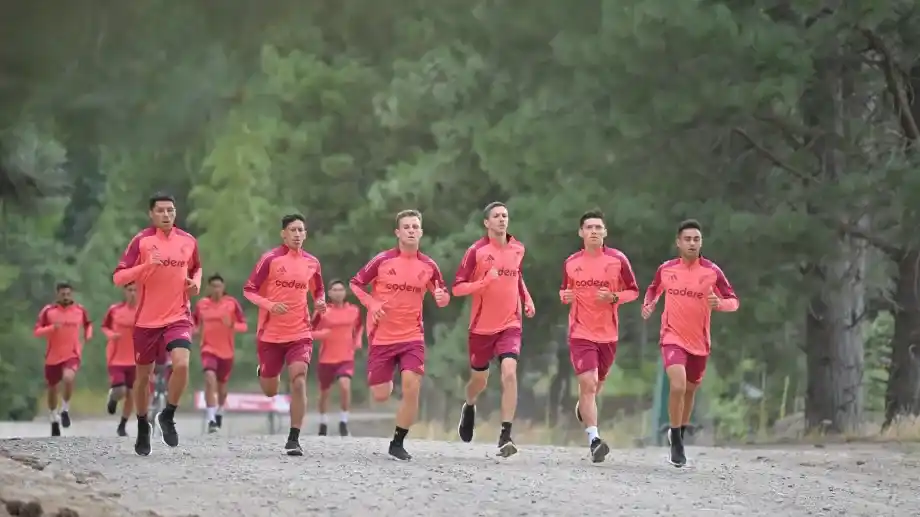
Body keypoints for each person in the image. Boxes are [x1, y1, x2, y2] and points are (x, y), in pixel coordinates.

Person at [350, 209, 450, 461]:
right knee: (381, 395)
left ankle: (398, 442)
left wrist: (442, 297)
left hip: (412, 336)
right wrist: (372, 304)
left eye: (416, 226)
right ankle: (387, 378)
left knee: (412, 386)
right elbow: (355, 283)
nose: (411, 230)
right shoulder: (382, 261)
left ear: (421, 232)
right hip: (382, 336)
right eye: (406, 227)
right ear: (397, 232)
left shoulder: (429, 266)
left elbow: (443, 296)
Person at [641, 219, 739, 467]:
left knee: (690, 390)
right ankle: (674, 436)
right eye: (688, 239)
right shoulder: (667, 269)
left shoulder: (712, 271)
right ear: (678, 242)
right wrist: (649, 304)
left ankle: (680, 432)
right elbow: (653, 289)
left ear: (701, 242)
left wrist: (721, 305)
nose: (692, 243)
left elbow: (733, 300)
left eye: (696, 239)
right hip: (672, 336)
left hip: (699, 341)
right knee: (677, 384)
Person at [113, 192, 202, 456]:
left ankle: (168, 414)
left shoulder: (188, 241)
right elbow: (119, 277)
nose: (166, 215)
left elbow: (196, 268)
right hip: (147, 320)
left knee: (182, 364)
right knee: (143, 378)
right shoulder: (141, 241)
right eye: (161, 211)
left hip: (178, 315)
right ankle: (142, 425)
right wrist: (143, 268)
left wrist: (195, 282)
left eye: (171, 211)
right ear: (151, 214)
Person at [452, 202, 535, 457]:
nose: (501, 219)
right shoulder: (476, 251)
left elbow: (517, 276)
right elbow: (457, 288)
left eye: (505, 216)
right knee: (479, 381)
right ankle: (469, 405)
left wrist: (527, 298)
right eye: (496, 216)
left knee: (510, 372)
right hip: (481, 328)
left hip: (511, 323)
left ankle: (505, 434)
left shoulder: (518, 248)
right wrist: (484, 282)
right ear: (486, 223)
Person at [559, 209, 639, 463]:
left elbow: (634, 291)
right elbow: (564, 291)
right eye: (589, 227)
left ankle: (584, 408)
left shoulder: (617, 260)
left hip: (608, 334)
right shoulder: (571, 263)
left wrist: (614, 297)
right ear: (580, 232)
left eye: (598, 227)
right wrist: (565, 297)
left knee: (595, 387)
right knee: (589, 383)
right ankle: (594, 440)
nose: (594, 231)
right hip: (580, 332)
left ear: (605, 232)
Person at [243, 213, 326, 456]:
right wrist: (269, 305)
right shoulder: (270, 259)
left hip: (300, 331)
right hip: (270, 334)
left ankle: (294, 438)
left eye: (301, 230)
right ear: (284, 234)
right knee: (271, 390)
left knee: (299, 379)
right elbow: (249, 290)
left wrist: (320, 302)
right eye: (293, 230)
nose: (298, 235)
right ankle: (264, 372)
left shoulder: (312, 263)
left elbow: (318, 290)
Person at [33, 282, 92, 437]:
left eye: (68, 294)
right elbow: (37, 331)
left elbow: (88, 324)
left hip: (72, 354)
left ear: (71, 294)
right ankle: (53, 419)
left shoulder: (80, 310)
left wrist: (87, 336)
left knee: (68, 377)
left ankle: (65, 409)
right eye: (62, 294)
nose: (66, 297)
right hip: (53, 356)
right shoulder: (48, 312)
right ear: (57, 295)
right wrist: (52, 328)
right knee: (52, 389)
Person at [193, 273, 248, 433]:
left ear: (223, 288)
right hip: (208, 349)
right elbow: (193, 324)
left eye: (219, 286)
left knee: (222, 388)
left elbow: (243, 326)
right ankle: (211, 419)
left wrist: (232, 325)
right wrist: (194, 332)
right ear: (209, 288)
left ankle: (220, 409)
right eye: (213, 286)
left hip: (226, 352)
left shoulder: (231, 304)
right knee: (209, 378)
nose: (216, 289)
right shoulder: (202, 305)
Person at [310, 279, 363, 437]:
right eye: (335, 290)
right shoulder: (322, 311)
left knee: (345, 385)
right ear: (330, 293)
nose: (338, 292)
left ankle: (343, 422)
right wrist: (323, 334)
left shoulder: (354, 310)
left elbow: (359, 327)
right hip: (326, 359)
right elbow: (308, 331)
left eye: (341, 289)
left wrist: (358, 340)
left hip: (346, 357)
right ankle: (323, 422)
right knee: (324, 393)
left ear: (345, 292)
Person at [101, 283, 139, 436]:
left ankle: (122, 425)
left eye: (136, 290)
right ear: (124, 292)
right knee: (121, 390)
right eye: (130, 290)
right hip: (116, 357)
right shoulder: (115, 310)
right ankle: (113, 398)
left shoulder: (144, 312)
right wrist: (111, 335)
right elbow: (104, 326)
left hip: (136, 359)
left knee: (131, 394)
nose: (133, 293)